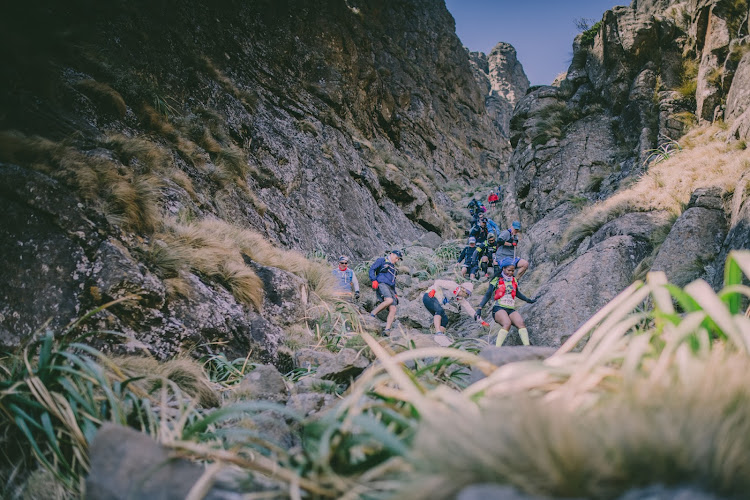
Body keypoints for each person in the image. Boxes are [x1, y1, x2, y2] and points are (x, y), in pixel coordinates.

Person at [474, 257, 536, 346]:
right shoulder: (496, 280)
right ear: (503, 268)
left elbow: (517, 293)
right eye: (508, 270)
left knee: (521, 324)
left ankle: (527, 347)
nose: (511, 273)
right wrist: (479, 308)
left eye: (512, 271)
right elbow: (488, 294)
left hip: (510, 308)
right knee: (507, 323)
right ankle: (497, 349)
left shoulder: (514, 280)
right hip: (499, 308)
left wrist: (528, 300)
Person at [423, 280, 487, 334]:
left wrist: (481, 321)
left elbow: (470, 310)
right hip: (429, 296)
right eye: (466, 293)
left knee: (445, 320)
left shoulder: (460, 298)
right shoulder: (453, 285)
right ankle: (438, 332)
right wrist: (434, 290)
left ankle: (440, 335)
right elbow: (437, 282)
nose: (466, 295)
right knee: (439, 310)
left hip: (435, 302)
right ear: (463, 289)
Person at [368, 250, 402, 335]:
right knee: (389, 300)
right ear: (392, 254)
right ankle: (373, 313)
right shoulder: (382, 260)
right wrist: (374, 280)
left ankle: (387, 329)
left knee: (393, 309)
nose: (397, 260)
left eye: (398, 259)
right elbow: (372, 269)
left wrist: (395, 293)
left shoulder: (394, 268)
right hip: (382, 284)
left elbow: (393, 282)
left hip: (391, 288)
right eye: (396, 258)